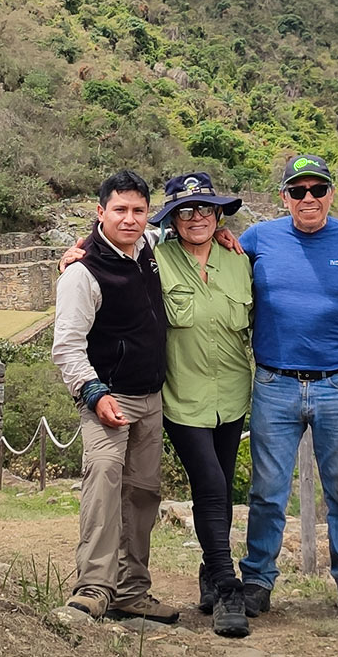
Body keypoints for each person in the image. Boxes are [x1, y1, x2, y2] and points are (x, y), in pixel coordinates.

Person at [238, 154, 338, 622]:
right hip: (275, 383)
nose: (309, 199)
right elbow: (201, 253)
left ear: (331, 193)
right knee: (267, 491)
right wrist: (89, 243)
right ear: (283, 196)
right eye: (298, 190)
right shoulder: (258, 239)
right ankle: (257, 581)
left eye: (317, 189)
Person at [51, 170, 178, 624]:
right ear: (100, 212)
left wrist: (220, 231)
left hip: (151, 396)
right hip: (108, 398)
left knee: (143, 494)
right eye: (119, 210)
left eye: (138, 210)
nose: (129, 219)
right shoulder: (82, 272)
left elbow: (176, 228)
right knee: (103, 485)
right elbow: (66, 344)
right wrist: (93, 392)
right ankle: (92, 588)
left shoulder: (148, 247)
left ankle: (131, 591)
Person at [148, 173, 253, 638]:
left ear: (219, 215)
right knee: (209, 483)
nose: (197, 217)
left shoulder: (240, 260)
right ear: (172, 218)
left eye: (206, 209)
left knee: (223, 486)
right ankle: (229, 590)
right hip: (182, 396)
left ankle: (209, 575)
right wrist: (76, 252)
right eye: (186, 210)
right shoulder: (154, 260)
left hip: (232, 394)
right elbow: (110, 247)